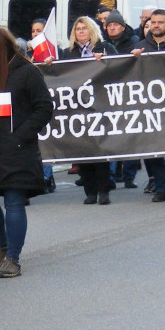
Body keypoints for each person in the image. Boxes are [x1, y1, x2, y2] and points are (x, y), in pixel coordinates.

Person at [0, 28, 54, 277]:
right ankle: (2, 242)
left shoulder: (27, 72)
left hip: (17, 149)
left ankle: (13, 258)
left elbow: (44, 107)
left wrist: (21, 135)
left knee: (14, 202)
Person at [132, 10, 165, 202]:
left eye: (160, 22)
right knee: (152, 148)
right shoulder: (140, 47)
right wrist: (133, 60)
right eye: (153, 22)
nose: (156, 26)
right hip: (148, 106)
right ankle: (161, 187)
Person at [61, 18, 116, 204]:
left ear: (92, 30)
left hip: (100, 105)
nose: (81, 31)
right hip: (77, 107)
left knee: (100, 150)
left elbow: (119, 68)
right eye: (77, 29)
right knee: (83, 150)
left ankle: (104, 190)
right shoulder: (67, 53)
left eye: (84, 28)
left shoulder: (105, 48)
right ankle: (90, 191)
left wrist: (104, 62)